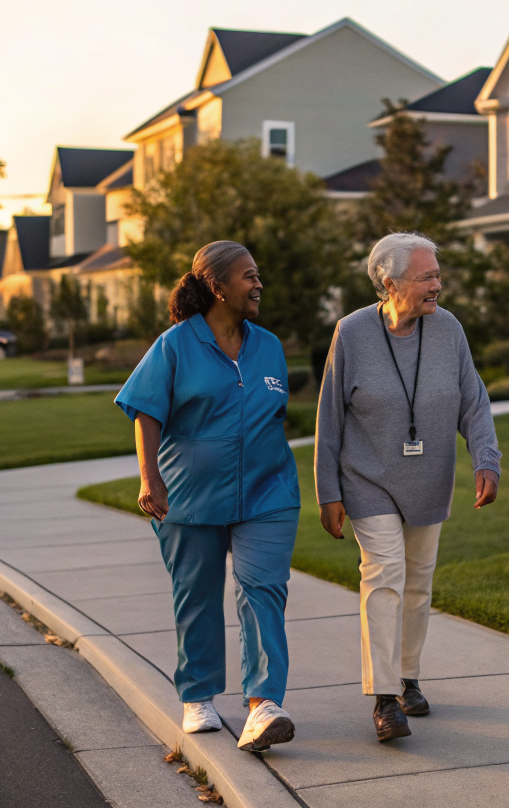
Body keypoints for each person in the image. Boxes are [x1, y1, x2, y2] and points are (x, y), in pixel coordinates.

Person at [314, 231, 502, 742]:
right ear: (390, 283)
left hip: (430, 479)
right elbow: (329, 418)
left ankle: (408, 678)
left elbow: (474, 401)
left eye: (438, 275)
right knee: (385, 575)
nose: (438, 284)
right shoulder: (351, 333)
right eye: (427, 277)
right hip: (368, 478)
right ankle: (382, 697)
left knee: (418, 582)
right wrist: (327, 491)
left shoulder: (448, 331)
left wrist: (487, 459)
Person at [114, 241, 300, 753]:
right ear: (217, 287)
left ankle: (264, 705)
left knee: (263, 589)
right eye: (248, 276)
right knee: (196, 596)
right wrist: (150, 478)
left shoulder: (269, 346)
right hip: (189, 496)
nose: (258, 283)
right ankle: (197, 696)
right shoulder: (176, 345)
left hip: (269, 491)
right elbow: (145, 410)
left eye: (258, 275)